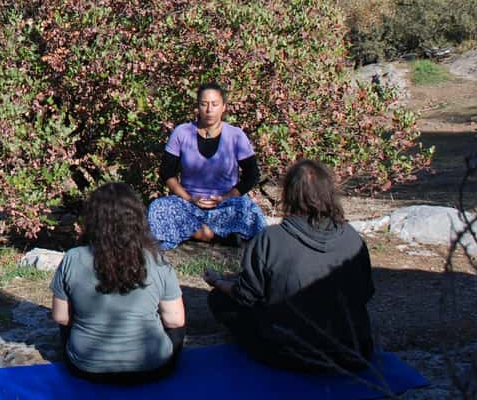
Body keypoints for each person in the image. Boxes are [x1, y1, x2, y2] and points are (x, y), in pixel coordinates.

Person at [203, 159, 375, 373]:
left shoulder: (270, 239)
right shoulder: (353, 238)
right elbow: (365, 292)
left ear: (289, 195)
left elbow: (246, 296)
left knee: (220, 300)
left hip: (291, 353)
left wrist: (218, 282)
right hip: (354, 351)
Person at [50, 183, 186, 383]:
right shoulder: (157, 259)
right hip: (153, 367)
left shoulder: (72, 258)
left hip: (86, 368)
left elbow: (61, 317)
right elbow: (175, 321)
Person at [148, 83, 267, 250]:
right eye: (204, 104)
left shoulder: (236, 136)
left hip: (225, 205)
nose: (209, 109)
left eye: (214, 104)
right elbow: (167, 172)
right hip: (188, 204)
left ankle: (197, 233)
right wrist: (189, 198)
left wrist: (225, 197)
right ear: (198, 106)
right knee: (158, 208)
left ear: (223, 107)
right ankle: (215, 235)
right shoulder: (181, 133)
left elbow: (252, 175)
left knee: (250, 212)